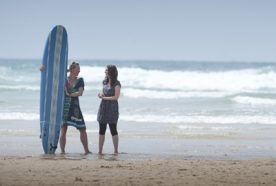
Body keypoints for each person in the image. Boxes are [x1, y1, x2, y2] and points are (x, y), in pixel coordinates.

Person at [60, 62, 91, 154]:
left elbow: (80, 93)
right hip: (65, 107)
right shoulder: (64, 79)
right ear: (72, 69)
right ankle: (62, 151)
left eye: (79, 69)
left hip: (75, 108)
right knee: (63, 130)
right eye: (77, 69)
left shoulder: (80, 80)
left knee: (82, 128)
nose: (79, 71)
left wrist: (69, 94)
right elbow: (60, 72)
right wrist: (68, 70)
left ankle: (86, 150)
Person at [97, 65, 121, 155]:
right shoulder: (104, 82)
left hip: (112, 108)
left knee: (113, 129)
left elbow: (116, 97)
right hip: (103, 108)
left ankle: (116, 151)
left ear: (111, 72)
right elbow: (103, 92)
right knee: (101, 130)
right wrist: (100, 94)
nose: (105, 72)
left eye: (106, 70)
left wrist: (104, 98)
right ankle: (100, 151)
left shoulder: (117, 84)